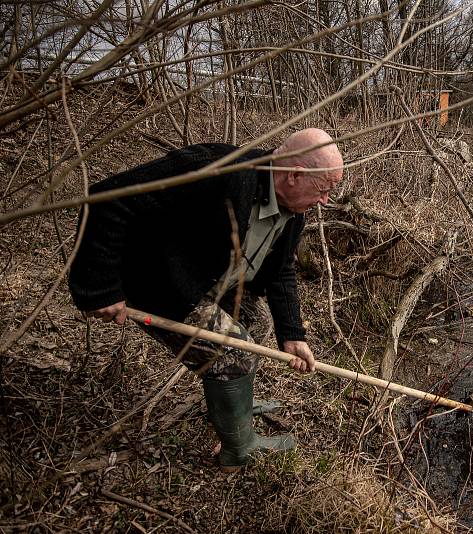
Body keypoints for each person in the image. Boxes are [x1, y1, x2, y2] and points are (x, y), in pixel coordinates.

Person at [68, 128, 343, 472]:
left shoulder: (293, 212)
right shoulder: (218, 171)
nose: (326, 201)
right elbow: (108, 197)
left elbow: (281, 269)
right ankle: (238, 450)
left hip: (211, 279)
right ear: (294, 175)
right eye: (324, 189)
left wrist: (293, 334)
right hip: (160, 284)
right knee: (234, 352)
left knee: (257, 323)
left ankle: (234, 405)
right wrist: (101, 288)